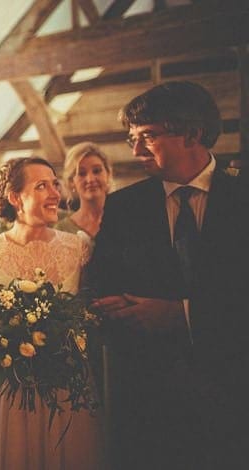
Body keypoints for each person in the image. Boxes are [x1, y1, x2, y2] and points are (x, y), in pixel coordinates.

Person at [88, 81, 249, 469]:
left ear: (192, 133)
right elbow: (101, 287)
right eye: (132, 139)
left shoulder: (241, 194)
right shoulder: (124, 207)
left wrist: (185, 315)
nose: (135, 150)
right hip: (152, 399)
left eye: (147, 136)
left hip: (235, 388)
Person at [0, 157, 104, 470]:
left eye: (55, 184)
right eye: (42, 186)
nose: (55, 193)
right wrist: (16, 346)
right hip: (15, 387)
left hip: (69, 383)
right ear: (15, 198)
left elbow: (86, 316)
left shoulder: (78, 248)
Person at [55, 142, 112, 241]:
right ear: (71, 181)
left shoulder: (126, 218)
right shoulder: (62, 230)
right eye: (82, 173)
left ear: (108, 174)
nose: (90, 179)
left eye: (97, 171)